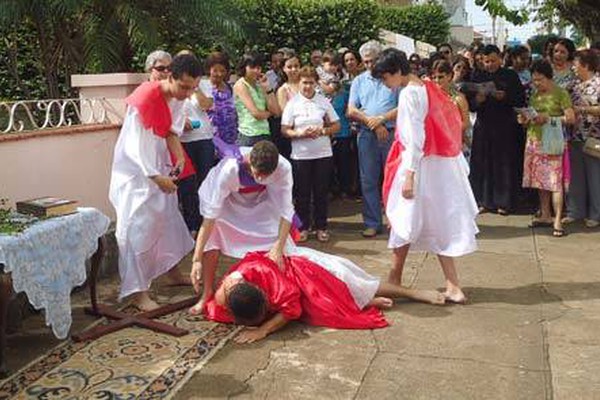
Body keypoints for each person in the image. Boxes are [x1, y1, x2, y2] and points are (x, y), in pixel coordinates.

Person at [372, 48, 479, 304]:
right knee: (432, 221)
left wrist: (409, 175)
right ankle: (450, 284)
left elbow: (414, 138)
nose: (386, 85)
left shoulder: (410, 93)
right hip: (436, 164)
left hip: (417, 165)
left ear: (396, 72)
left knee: (402, 219)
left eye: (386, 78)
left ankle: (396, 279)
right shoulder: (426, 86)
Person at [109, 54, 202, 311]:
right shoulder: (146, 97)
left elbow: (170, 132)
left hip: (159, 165)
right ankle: (138, 292)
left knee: (167, 218)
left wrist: (180, 158)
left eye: (192, 88)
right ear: (169, 77)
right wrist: (154, 176)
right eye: (183, 87)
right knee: (137, 228)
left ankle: (171, 273)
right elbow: (133, 145)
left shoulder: (178, 98)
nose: (187, 93)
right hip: (136, 174)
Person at [203, 248, 445, 343]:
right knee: (332, 306)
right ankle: (360, 301)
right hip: (292, 288)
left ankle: (412, 292)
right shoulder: (221, 303)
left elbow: (292, 309)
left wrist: (263, 330)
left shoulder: (266, 276)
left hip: (306, 271)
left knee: (355, 285)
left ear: (264, 297)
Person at [188, 140, 294, 314]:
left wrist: (278, 247)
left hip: (261, 200)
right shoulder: (229, 169)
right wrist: (196, 259)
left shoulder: (284, 167)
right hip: (229, 201)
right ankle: (207, 293)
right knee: (215, 232)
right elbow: (209, 220)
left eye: (266, 175)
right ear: (249, 161)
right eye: (257, 173)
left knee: (276, 239)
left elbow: (286, 211)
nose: (260, 178)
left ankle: (269, 291)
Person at [281, 66, 341, 242]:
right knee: (302, 193)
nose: (308, 86)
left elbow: (337, 125)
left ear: (316, 83)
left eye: (311, 83)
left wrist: (322, 131)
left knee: (321, 192)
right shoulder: (293, 104)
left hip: (323, 153)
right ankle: (303, 227)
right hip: (301, 155)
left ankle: (321, 226)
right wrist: (300, 134)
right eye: (304, 82)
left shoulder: (323, 101)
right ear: (299, 83)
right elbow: (285, 130)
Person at [518, 60, 575, 237]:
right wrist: (526, 120)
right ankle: (545, 214)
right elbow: (533, 115)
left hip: (552, 142)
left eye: (540, 80)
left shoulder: (561, 93)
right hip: (535, 140)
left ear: (549, 77)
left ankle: (558, 219)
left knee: (555, 182)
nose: (536, 84)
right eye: (534, 80)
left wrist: (549, 118)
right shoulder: (535, 95)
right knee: (540, 182)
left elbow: (571, 118)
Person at [348, 40, 398, 238]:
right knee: (368, 179)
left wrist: (383, 121)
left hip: (391, 133)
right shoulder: (359, 81)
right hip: (367, 134)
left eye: (373, 61)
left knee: (393, 179)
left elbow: (402, 106)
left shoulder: (392, 79)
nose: (370, 65)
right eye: (366, 62)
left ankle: (395, 222)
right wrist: (374, 123)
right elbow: (351, 110)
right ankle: (372, 222)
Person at [468, 44, 527, 215]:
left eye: (493, 61)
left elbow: (520, 100)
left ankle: (504, 202)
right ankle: (484, 201)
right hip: (484, 125)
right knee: (483, 163)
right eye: (486, 61)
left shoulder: (510, 75)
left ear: (500, 59)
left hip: (505, 126)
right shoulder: (477, 76)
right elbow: (470, 105)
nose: (490, 64)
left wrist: (505, 96)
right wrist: (478, 99)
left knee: (504, 164)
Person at [564, 49, 600, 228]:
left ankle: (596, 214)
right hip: (575, 135)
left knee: (595, 177)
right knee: (575, 176)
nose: (574, 68)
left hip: (594, 137)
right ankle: (575, 211)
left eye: (577, 64)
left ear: (586, 64)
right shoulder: (573, 85)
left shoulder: (598, 84)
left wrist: (583, 110)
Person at [233, 52, 281, 146]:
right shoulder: (241, 85)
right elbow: (256, 114)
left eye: (258, 68)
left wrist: (267, 88)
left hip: (265, 133)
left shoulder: (260, 84)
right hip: (248, 135)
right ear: (244, 67)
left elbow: (276, 111)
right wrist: (269, 113)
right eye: (252, 67)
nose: (256, 71)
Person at [431, 60, 471, 157]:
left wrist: (448, 128)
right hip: (435, 147)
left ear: (449, 76)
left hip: (455, 145)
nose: (437, 80)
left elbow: (466, 123)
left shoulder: (458, 98)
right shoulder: (430, 98)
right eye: (434, 77)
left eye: (440, 77)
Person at [200, 51, 239, 144]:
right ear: (209, 70)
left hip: (230, 137)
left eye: (222, 71)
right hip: (211, 138)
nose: (219, 74)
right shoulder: (203, 86)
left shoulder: (229, 88)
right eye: (215, 71)